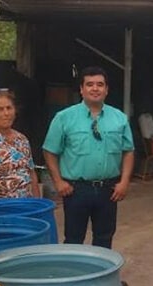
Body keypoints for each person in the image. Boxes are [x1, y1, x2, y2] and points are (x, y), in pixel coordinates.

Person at [42, 66, 135, 249]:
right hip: (76, 189)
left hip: (108, 190)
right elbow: (49, 151)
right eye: (90, 84)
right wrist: (58, 181)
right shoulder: (64, 118)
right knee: (73, 239)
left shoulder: (119, 118)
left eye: (100, 84)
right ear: (81, 89)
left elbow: (128, 151)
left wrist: (124, 182)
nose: (95, 88)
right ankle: (74, 269)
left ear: (106, 89)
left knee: (104, 238)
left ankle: (102, 269)